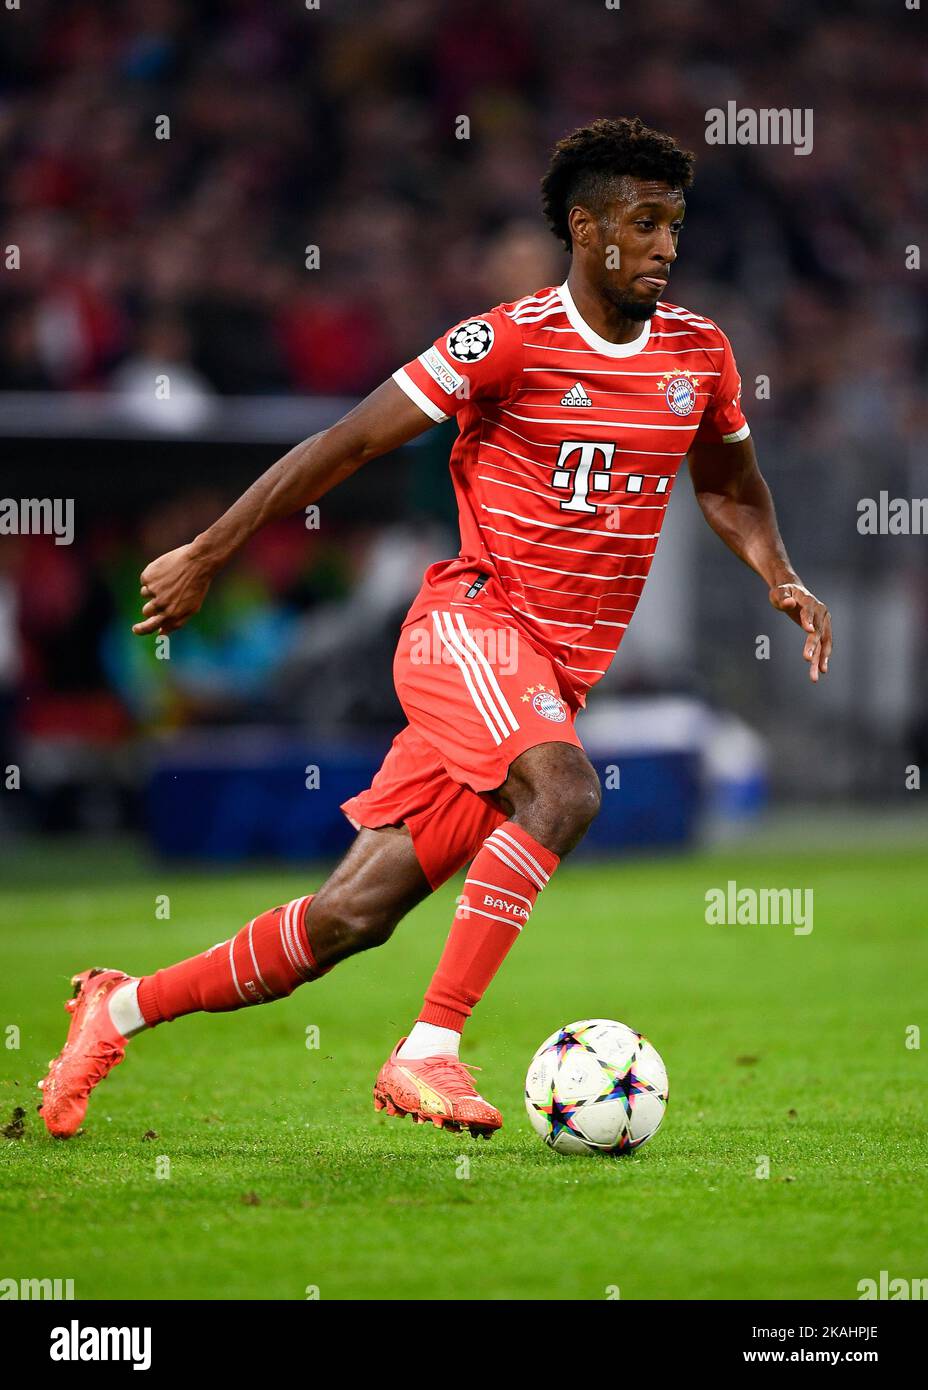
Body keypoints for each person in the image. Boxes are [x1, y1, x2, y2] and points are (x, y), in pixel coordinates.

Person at [40, 117, 832, 1140]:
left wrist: (777, 571)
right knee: (566, 789)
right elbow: (345, 442)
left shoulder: (699, 353)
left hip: (547, 674)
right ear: (585, 229)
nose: (665, 246)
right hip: (469, 626)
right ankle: (428, 1054)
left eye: (674, 223)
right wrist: (208, 548)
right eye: (642, 224)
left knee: (346, 920)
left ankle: (117, 1005)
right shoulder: (504, 340)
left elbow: (730, 486)